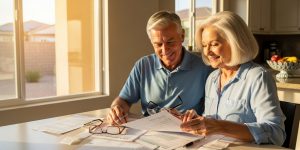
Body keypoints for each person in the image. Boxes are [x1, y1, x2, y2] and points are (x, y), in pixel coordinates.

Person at [180, 11, 286, 146]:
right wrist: (198, 122)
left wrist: (220, 126)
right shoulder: (212, 78)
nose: (207, 52)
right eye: (205, 45)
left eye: (214, 44)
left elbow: (276, 133)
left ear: (235, 42)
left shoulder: (257, 77)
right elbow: (213, 122)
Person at [107, 11, 212, 125]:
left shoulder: (204, 67)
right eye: (158, 44)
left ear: (182, 35)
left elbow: (212, 112)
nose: (165, 50)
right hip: (149, 133)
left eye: (170, 42)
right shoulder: (143, 66)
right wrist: (116, 108)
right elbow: (124, 100)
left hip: (188, 133)